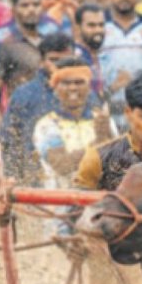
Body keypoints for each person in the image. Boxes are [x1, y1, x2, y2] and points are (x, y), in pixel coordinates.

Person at [2, 33, 100, 184]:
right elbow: (9, 139)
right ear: (41, 62)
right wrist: (14, 177)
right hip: (38, 179)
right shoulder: (24, 95)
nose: (60, 64)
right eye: (53, 60)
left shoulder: (89, 96)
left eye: (66, 59)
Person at [32, 57, 113, 189]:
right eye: (66, 83)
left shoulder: (101, 118)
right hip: (60, 203)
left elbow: (116, 160)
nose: (73, 88)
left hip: (97, 201)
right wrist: (99, 142)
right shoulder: (47, 125)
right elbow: (62, 166)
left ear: (88, 87)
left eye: (79, 82)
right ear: (55, 88)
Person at [0, 0, 59, 100]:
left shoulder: (53, 39)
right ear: (13, 9)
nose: (31, 9)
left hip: (52, 112)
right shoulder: (6, 44)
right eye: (24, 6)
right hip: (20, 112)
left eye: (36, 5)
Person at [74, 4, 106, 95]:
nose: (98, 30)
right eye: (91, 25)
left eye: (101, 25)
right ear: (77, 28)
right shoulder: (75, 57)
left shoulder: (100, 54)